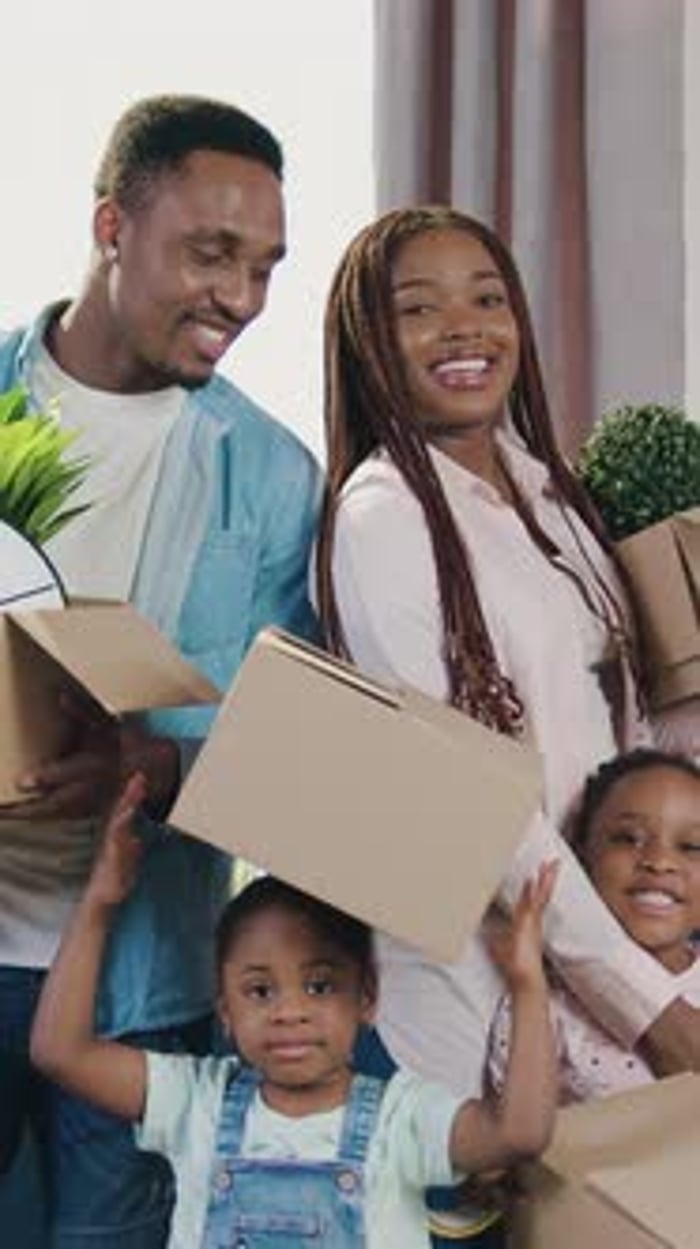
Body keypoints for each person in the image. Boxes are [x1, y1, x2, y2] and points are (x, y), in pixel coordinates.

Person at [315, 206, 700, 1240]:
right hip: (477, 1014)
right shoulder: (383, 519)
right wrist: (651, 1010)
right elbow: (471, 805)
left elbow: (624, 739)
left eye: (486, 299)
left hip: (608, 977)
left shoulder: (552, 500)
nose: (463, 328)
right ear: (368, 342)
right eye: (418, 308)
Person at [0, 94, 321, 1247]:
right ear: (110, 227)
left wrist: (156, 765)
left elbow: (306, 760)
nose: (240, 296)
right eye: (211, 253)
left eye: (265, 265)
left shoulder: (276, 479)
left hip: (139, 986)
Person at [30, 775, 558, 1249]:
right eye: (260, 991)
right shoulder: (194, 1100)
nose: (290, 1011)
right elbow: (61, 1051)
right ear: (225, 1012)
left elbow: (519, 1134)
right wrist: (99, 903)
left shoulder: (404, 1118)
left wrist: (528, 985)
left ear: (367, 998)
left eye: (320, 986)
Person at [488, 748, 700, 1101]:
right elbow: (515, 1134)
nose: (660, 862)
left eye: (693, 846)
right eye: (628, 838)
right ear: (582, 856)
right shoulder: (539, 1007)